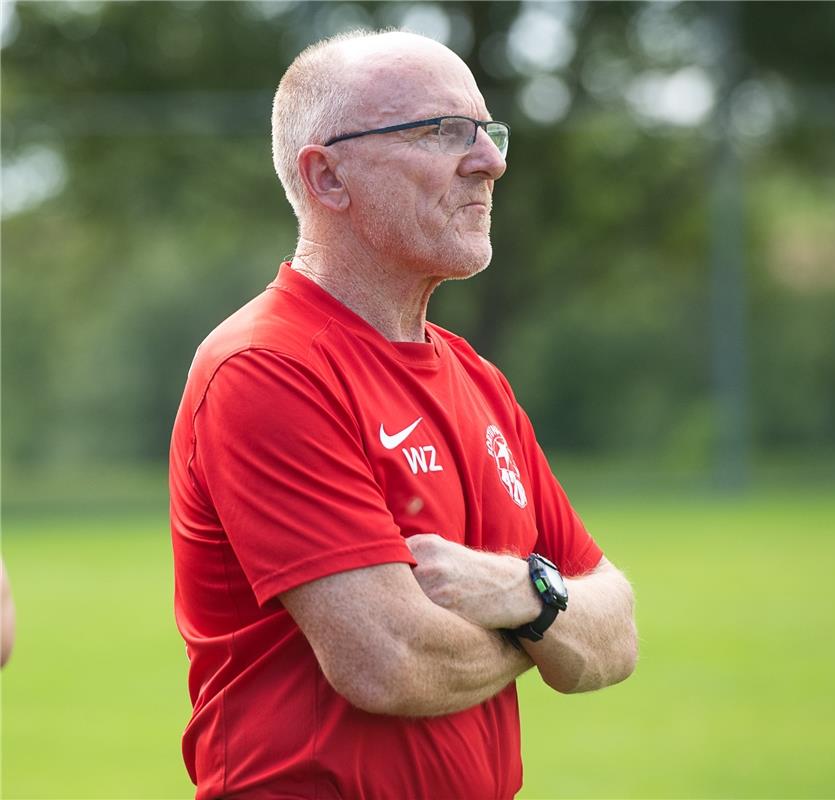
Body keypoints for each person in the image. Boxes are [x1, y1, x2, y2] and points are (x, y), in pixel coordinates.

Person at [169, 29, 637, 800]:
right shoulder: (267, 366)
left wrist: (520, 591)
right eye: (442, 132)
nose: (490, 160)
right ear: (327, 177)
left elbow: (615, 635)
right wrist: (549, 624)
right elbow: (389, 660)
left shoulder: (476, 378)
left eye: (488, 132)